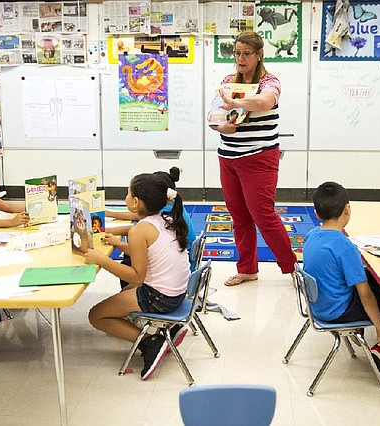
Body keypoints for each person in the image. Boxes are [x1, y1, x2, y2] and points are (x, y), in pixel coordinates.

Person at [207, 30, 296, 287]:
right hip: (229, 158)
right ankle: (247, 269)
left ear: (259, 55)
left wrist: (236, 100)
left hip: (259, 158)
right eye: (237, 53)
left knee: (263, 214)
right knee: (239, 216)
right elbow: (214, 118)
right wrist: (221, 127)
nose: (241, 59)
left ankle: (291, 269)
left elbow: (265, 102)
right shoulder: (227, 80)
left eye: (247, 54)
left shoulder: (269, 82)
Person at [85, 173, 190, 380]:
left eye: (128, 193)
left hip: (160, 298)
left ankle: (150, 342)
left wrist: (101, 260)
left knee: (96, 315)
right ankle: (157, 334)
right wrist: (118, 243)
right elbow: (148, 253)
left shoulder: (139, 230)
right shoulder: (163, 219)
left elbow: (137, 277)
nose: (126, 197)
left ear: (135, 202)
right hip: (177, 293)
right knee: (124, 293)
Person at [303, 182, 380, 384]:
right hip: (338, 311)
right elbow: (365, 294)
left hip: (317, 306)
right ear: (348, 209)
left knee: (370, 282)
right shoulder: (344, 246)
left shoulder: (310, 235)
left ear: (316, 213)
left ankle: (369, 339)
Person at [105, 166, 197, 284]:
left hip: (171, 280)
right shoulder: (167, 212)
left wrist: (102, 258)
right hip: (179, 275)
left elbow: (137, 275)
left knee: (128, 264)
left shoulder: (161, 215)